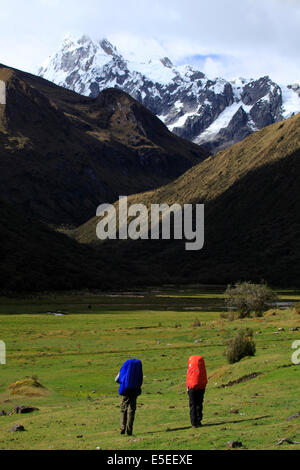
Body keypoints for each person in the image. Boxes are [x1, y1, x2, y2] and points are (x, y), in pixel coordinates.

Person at [115, 358, 143, 435]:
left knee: (123, 408)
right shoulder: (138, 367)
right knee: (132, 410)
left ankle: (122, 426)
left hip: (126, 390)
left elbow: (117, 379)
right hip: (135, 390)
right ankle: (129, 430)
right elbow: (141, 379)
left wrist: (123, 383)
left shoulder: (125, 368)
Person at [186, 355, 207, 428]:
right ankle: (199, 420)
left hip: (192, 386)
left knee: (192, 404)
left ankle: (193, 422)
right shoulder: (201, 367)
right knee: (199, 403)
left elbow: (188, 376)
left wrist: (188, 388)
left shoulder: (190, 367)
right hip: (201, 386)